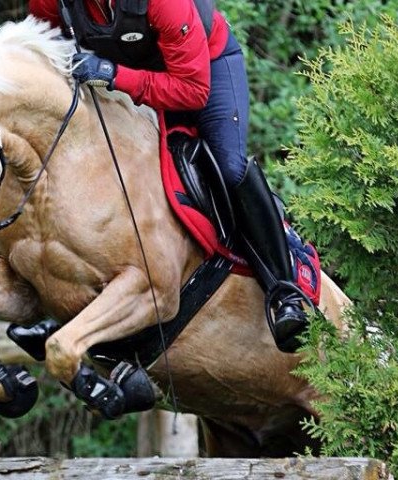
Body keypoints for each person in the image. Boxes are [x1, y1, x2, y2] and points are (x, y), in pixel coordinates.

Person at [20, 0, 309, 353]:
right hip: (118, 81)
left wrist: (114, 74)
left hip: (201, 72)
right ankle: (72, 307)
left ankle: (284, 291)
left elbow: (192, 91)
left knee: (230, 167)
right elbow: (38, 48)